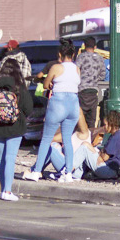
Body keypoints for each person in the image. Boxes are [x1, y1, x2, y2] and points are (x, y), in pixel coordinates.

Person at [23, 39, 81, 182]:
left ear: (60, 54)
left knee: (46, 139)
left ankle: (36, 172)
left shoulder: (56, 67)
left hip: (58, 104)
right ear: (73, 55)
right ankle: (67, 173)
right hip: (73, 104)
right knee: (67, 139)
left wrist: (49, 85)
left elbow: (46, 83)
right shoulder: (76, 68)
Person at [0, 59, 33, 201]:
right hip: (15, 127)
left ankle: (3, 189)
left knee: (2, 158)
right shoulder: (18, 87)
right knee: (10, 158)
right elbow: (28, 108)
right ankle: (8, 191)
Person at [76, 36, 107, 128]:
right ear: (95, 47)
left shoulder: (81, 57)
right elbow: (103, 75)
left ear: (85, 46)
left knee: (80, 119)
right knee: (91, 120)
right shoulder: (100, 59)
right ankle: (90, 138)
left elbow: (76, 72)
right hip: (94, 92)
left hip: (82, 91)